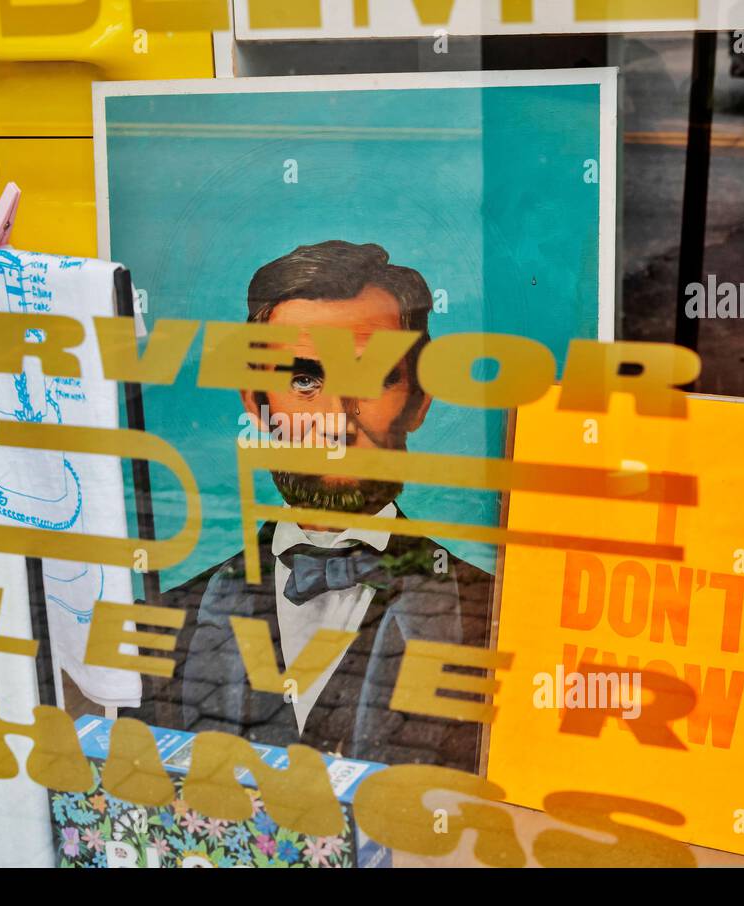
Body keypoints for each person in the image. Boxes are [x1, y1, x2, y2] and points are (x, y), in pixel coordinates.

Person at [133, 241, 494, 772]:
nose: (334, 418)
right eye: (304, 380)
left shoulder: (492, 615)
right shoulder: (168, 621)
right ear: (256, 404)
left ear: (419, 401)